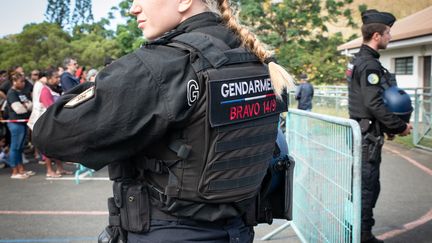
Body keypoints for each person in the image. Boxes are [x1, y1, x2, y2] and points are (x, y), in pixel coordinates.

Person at [33, 0, 294, 242]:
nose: (133, 8)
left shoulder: (162, 65)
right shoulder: (256, 59)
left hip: (169, 232)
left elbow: (50, 133)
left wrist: (106, 86)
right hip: (238, 231)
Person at [346, 9, 412, 243]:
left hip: (363, 132)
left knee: (362, 185)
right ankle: (363, 236)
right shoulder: (370, 66)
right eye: (388, 33)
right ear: (376, 35)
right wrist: (398, 127)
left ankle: (352, 229)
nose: (390, 37)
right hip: (367, 137)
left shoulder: (359, 61)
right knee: (367, 187)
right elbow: (373, 103)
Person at [5, 71, 35, 179]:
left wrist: (26, 106)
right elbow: (18, 109)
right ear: (14, 81)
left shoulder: (21, 92)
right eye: (21, 81)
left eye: (24, 81)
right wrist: (26, 106)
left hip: (22, 123)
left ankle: (21, 169)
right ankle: (14, 171)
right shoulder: (11, 93)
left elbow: (31, 105)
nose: (23, 84)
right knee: (15, 147)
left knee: (20, 148)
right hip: (15, 123)